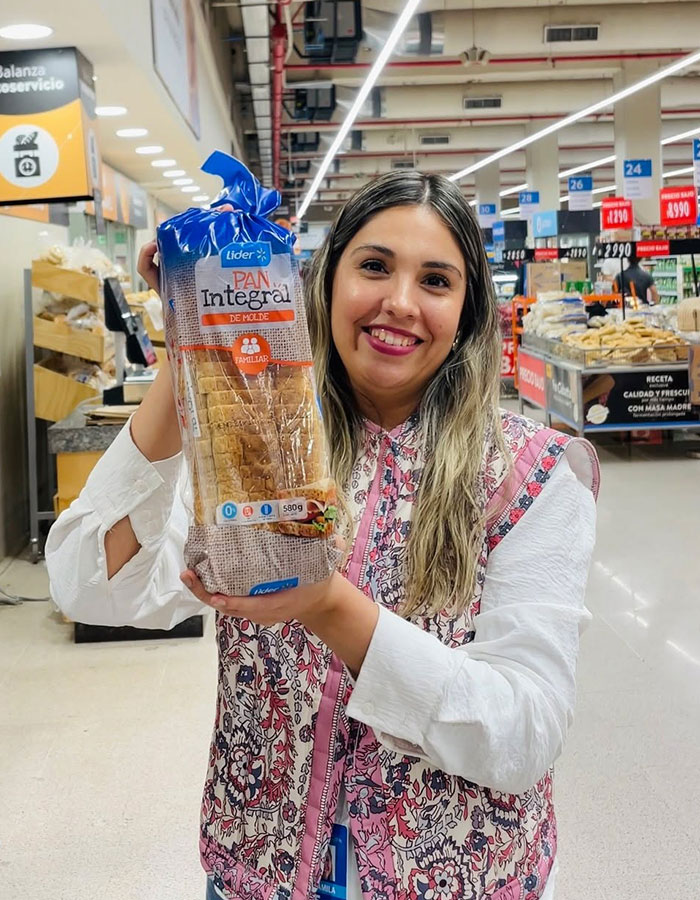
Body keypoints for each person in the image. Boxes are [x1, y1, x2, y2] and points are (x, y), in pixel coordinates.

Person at [46, 171, 599, 900]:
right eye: (373, 266)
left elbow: (524, 732)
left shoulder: (533, 475)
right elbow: (92, 588)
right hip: (258, 873)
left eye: (435, 280)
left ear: (467, 313)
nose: (398, 302)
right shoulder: (253, 446)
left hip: (460, 881)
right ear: (325, 282)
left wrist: (331, 608)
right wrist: (193, 348)